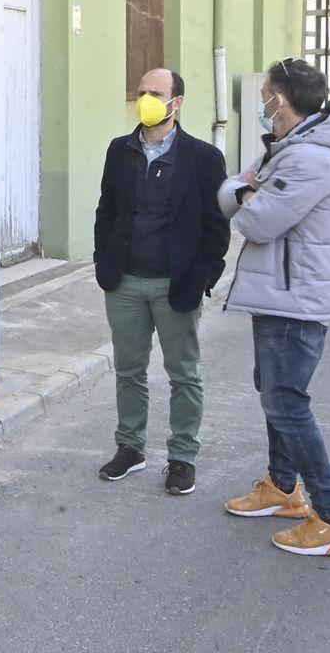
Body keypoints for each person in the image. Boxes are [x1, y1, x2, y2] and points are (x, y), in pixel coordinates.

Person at [219, 57, 330, 557]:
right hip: (282, 294)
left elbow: (256, 222)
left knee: (286, 402)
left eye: (266, 93)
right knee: (275, 393)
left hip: (294, 300)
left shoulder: (309, 159)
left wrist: (246, 192)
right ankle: (283, 488)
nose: (263, 102)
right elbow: (237, 193)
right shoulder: (291, 149)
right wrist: (248, 191)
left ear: (278, 100)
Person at [93, 67, 230, 494]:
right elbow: (106, 212)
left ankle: (182, 457)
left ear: (177, 102)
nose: (146, 99)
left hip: (176, 285)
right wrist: (103, 263)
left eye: (156, 92)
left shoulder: (204, 157)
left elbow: (216, 225)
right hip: (125, 284)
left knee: (183, 374)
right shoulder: (120, 150)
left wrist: (204, 276)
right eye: (141, 92)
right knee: (129, 371)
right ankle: (130, 447)